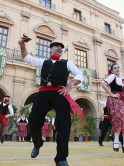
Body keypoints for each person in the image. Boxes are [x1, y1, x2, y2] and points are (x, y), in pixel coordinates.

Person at [18, 36, 83, 166]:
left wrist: (70, 84)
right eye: (57, 46)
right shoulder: (43, 62)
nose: (59, 48)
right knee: (33, 120)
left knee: (64, 124)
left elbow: (79, 74)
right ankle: (37, 143)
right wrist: (22, 45)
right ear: (51, 48)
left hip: (60, 93)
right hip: (43, 93)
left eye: (61, 47)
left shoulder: (67, 63)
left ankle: (61, 158)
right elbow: (27, 58)